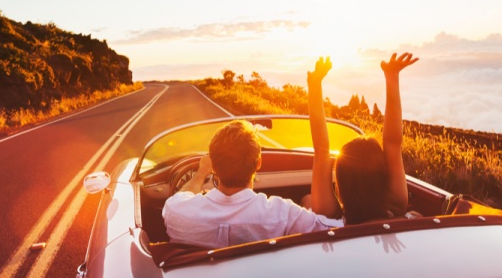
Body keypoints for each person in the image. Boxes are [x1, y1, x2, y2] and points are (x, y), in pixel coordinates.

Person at [162, 120, 343, 249]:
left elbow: (180, 197)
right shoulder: (282, 214)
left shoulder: (175, 211)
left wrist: (201, 174)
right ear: (258, 164)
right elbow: (336, 229)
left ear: (214, 167)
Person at [307, 53, 419, 224]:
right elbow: (392, 143)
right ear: (383, 176)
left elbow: (321, 150)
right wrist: (392, 77)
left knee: (306, 200)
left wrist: (314, 85)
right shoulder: (396, 205)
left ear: (340, 183)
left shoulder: (331, 217)